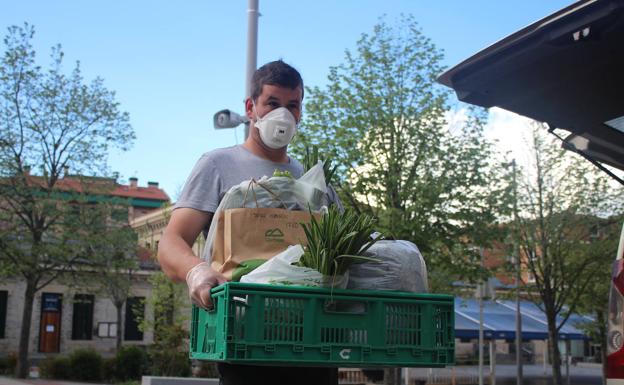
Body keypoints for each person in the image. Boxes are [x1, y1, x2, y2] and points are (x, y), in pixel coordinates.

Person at [158, 60, 339, 385]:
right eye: (272, 103)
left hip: (315, 348)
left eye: (292, 105)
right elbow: (171, 241)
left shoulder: (315, 180)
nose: (282, 114)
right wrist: (196, 271)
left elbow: (340, 248)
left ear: (301, 112)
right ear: (250, 107)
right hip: (245, 344)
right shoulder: (218, 165)